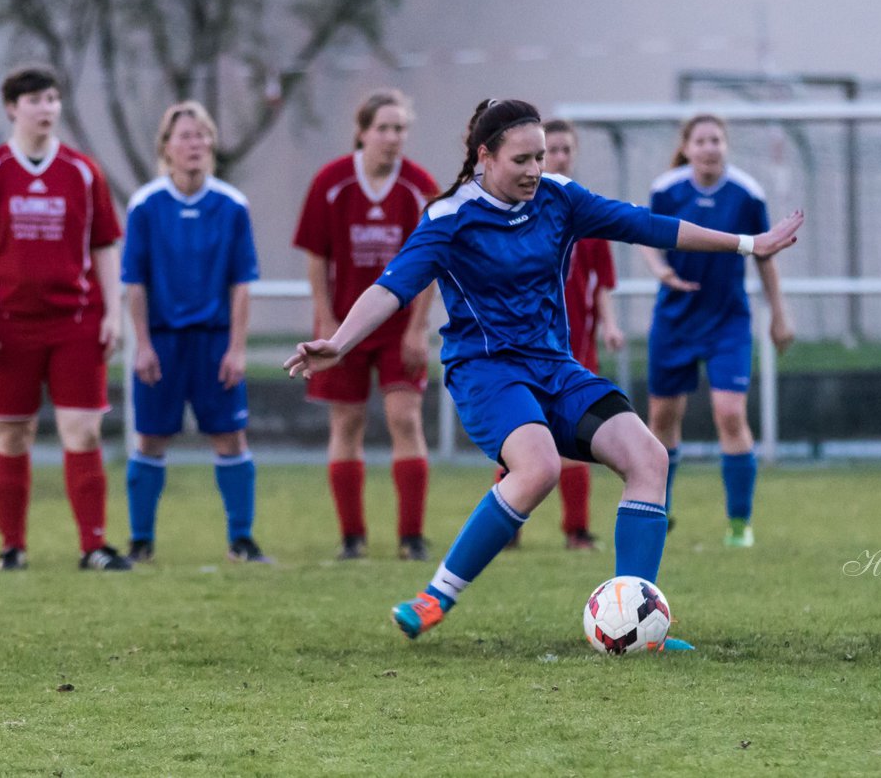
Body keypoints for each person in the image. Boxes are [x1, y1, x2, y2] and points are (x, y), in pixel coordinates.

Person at [285, 99, 803, 646]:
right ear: (484, 156)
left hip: (555, 368)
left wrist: (749, 244)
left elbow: (646, 226)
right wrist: (339, 343)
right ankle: (435, 596)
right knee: (538, 469)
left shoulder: (559, 197)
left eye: (540, 158)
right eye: (522, 159)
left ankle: (635, 623)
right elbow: (393, 287)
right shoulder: (449, 217)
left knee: (649, 457)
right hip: (487, 373)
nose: (536, 170)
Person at [0, 64, 130, 571]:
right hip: (7, 324)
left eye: (54, 99)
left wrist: (113, 313)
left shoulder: (83, 171)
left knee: (81, 430)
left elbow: (104, 245)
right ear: (13, 107)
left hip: (75, 321)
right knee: (12, 434)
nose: (47, 109)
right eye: (36, 100)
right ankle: (11, 546)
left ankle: (93, 547)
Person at [120, 101, 270, 564]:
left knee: (230, 439)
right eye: (185, 136)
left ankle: (240, 541)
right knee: (150, 440)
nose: (196, 144)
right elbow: (134, 282)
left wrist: (237, 349)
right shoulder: (145, 205)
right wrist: (142, 344)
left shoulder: (231, 205)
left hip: (215, 342)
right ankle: (141, 542)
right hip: (162, 344)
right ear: (166, 146)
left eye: (203, 135)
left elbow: (241, 284)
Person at [292, 89, 438, 561]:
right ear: (362, 132)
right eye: (384, 129)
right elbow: (317, 258)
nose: (394, 138)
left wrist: (418, 327)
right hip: (344, 330)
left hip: (399, 329)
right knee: (348, 421)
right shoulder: (331, 183)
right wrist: (326, 317)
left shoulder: (419, 187)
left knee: (405, 417)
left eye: (401, 129)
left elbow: (434, 260)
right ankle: (352, 539)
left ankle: (411, 538)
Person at [642, 114, 795, 548]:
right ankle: (659, 511)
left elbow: (765, 255)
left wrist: (779, 314)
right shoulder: (666, 189)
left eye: (717, 140)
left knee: (729, 413)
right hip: (674, 320)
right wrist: (662, 271)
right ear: (687, 147)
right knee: (663, 419)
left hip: (728, 320)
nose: (709, 147)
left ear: (726, 146)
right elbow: (648, 241)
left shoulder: (747, 194)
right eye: (701, 140)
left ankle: (739, 524)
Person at [502, 119, 624, 551]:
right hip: (525, 347)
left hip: (575, 348)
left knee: (574, 437)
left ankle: (575, 530)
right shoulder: (515, 211)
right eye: (549, 150)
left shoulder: (583, 211)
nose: (558, 157)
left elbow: (601, 283)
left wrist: (609, 324)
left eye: (564, 149)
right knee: (519, 433)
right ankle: (507, 528)